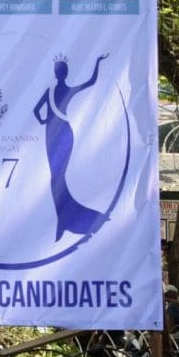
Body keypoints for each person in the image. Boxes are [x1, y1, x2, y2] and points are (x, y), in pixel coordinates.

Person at [32, 54, 109, 241]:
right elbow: (91, 81)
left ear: (56, 73)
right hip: (61, 131)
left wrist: (44, 120)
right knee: (56, 176)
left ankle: (65, 217)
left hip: (54, 132)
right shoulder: (63, 90)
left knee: (57, 176)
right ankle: (63, 216)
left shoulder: (53, 90)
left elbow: (36, 111)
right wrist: (97, 63)